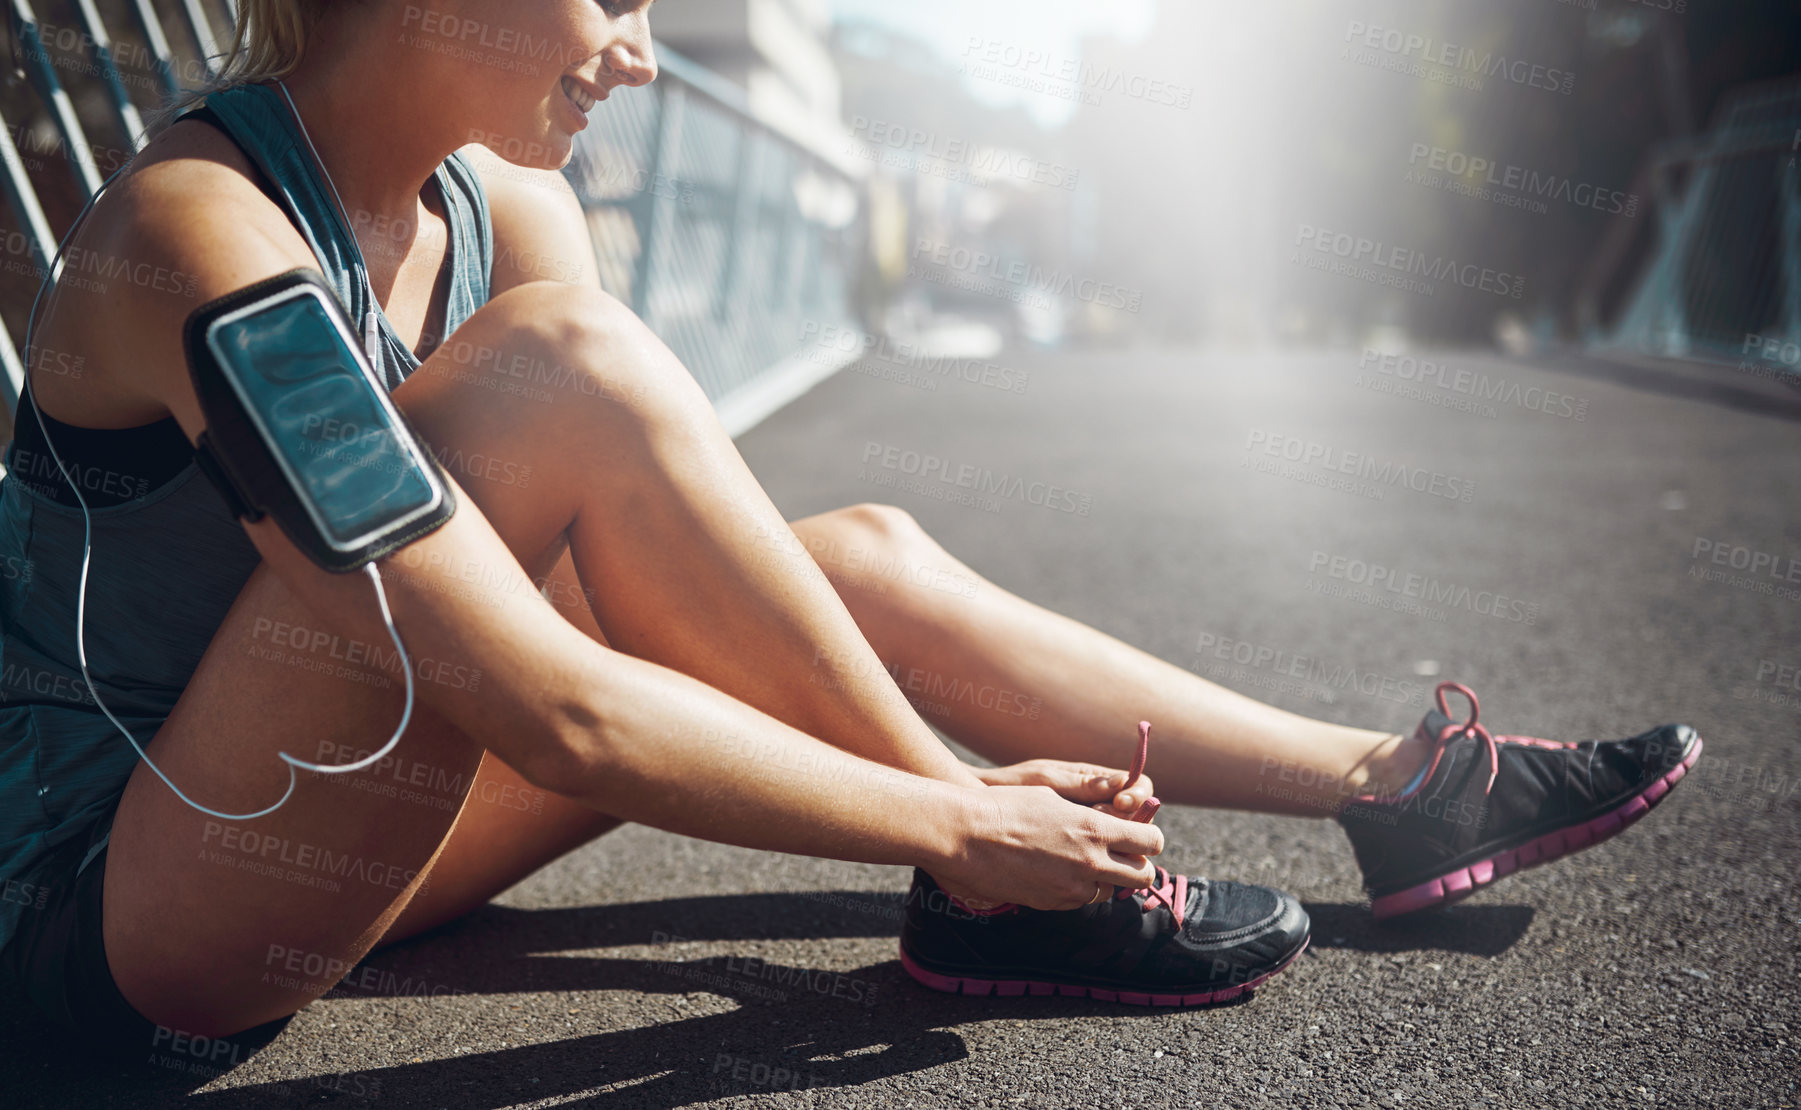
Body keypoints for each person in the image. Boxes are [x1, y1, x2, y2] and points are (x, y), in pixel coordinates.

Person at [0, 0, 1700, 1050]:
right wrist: (953, 814)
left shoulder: (500, 200)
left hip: (348, 808)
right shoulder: (202, 238)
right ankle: (989, 885)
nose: (642, 54)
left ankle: (1394, 789)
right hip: (131, 915)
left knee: (855, 552)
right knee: (566, 369)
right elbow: (553, 702)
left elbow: (635, 573)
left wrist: (930, 782)